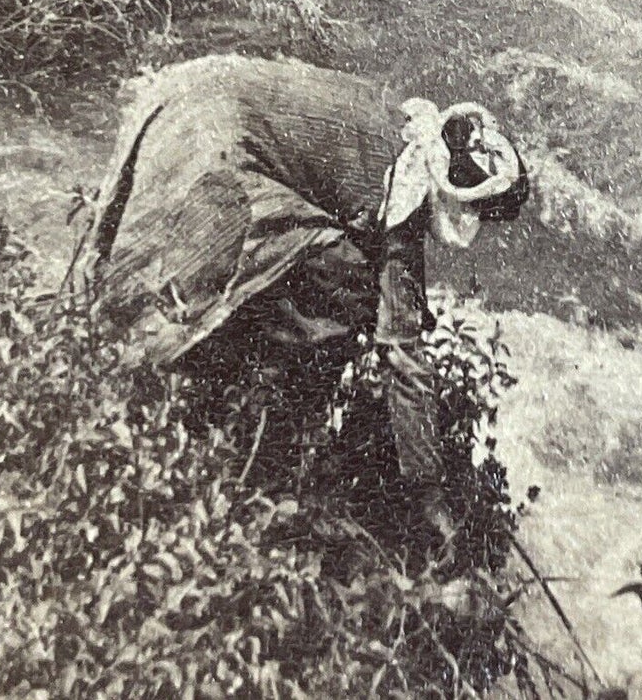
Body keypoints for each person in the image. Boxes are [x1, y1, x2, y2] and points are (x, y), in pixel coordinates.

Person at [79, 54, 529, 542]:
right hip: (216, 136)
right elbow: (403, 353)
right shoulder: (404, 189)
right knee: (343, 284)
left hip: (187, 90)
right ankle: (251, 444)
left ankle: (121, 377)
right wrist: (428, 494)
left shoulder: (399, 123)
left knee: (163, 274)